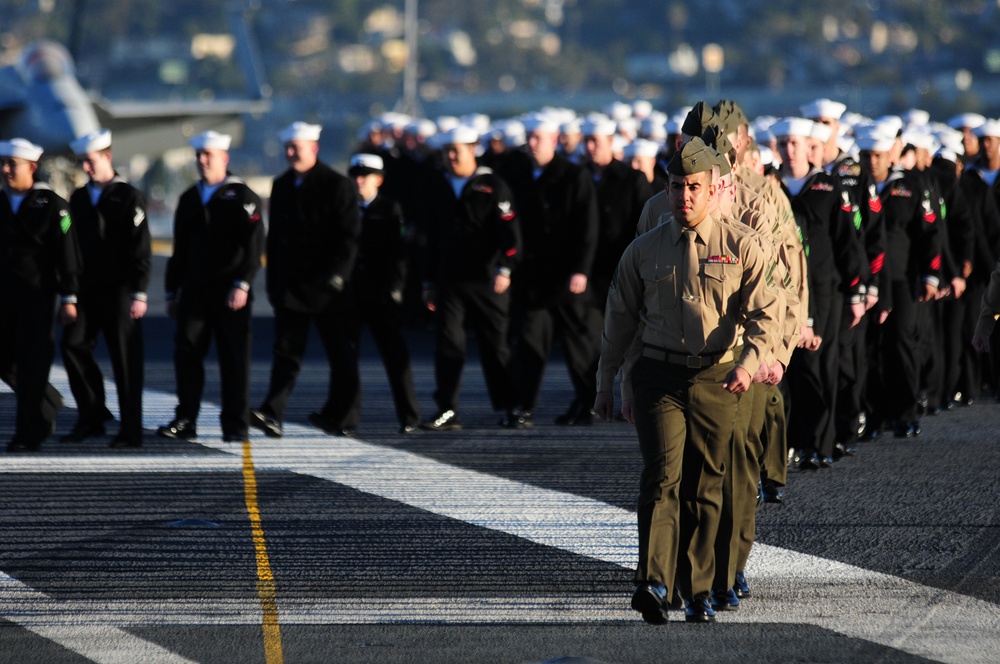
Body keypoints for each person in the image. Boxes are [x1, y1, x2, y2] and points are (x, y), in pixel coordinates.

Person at [595, 137, 779, 624]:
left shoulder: (741, 245)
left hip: (718, 377)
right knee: (661, 477)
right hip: (659, 375)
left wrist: (748, 363)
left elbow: (766, 316)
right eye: (677, 186)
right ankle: (654, 582)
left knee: (705, 484)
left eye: (695, 187)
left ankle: (698, 589)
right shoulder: (644, 249)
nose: (685, 196)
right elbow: (619, 320)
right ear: (667, 189)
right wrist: (607, 382)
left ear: (715, 189)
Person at [250, 122, 361, 438]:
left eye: (296, 148)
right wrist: (273, 283)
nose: (290, 153)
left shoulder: (337, 185)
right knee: (286, 353)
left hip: (329, 287)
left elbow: (349, 236)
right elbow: (275, 239)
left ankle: (343, 416)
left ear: (314, 148)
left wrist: (338, 275)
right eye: (287, 148)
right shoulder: (282, 185)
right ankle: (272, 413)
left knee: (341, 354)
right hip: (292, 286)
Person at [157, 131, 264, 442]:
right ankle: (186, 419)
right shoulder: (189, 198)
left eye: (209, 155)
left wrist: (242, 283)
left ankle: (235, 425)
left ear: (224, 158)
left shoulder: (243, 197)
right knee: (187, 353)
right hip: (195, 291)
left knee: (234, 359)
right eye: (199, 155)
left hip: (230, 292)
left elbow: (254, 246)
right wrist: (171, 291)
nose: (203, 160)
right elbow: (180, 250)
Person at [419, 125, 525, 430]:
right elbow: (430, 238)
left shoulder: (492, 185)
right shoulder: (436, 184)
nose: (451, 157)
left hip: (487, 279)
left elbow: (510, 232)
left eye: (457, 150)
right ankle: (446, 408)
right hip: (450, 280)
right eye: (447, 151)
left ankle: (511, 406)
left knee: (496, 346)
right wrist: (428, 282)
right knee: (448, 343)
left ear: (472, 150)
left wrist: (505, 268)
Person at [505, 114, 600, 426]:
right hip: (533, 274)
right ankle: (523, 407)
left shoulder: (573, 175)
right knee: (529, 342)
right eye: (529, 137)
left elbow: (587, 227)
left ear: (555, 140)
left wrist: (581, 270)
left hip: (566, 274)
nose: (532, 143)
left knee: (578, 344)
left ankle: (589, 403)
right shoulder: (518, 174)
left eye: (538, 138)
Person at [60, 129, 151, 448]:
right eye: (82, 161)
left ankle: (131, 430)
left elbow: (140, 248)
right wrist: (69, 292)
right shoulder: (79, 198)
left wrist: (139, 292)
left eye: (90, 160)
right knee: (72, 344)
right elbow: (69, 244)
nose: (85, 167)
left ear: (107, 157)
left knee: (125, 359)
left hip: (120, 290)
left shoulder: (129, 197)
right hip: (86, 288)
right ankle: (92, 415)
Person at [0, 138, 82, 452]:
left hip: (37, 298)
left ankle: (28, 434)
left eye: (13, 164)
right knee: (7, 361)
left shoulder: (52, 205)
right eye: (3, 164)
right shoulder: (1, 202)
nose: (6, 170)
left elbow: (67, 252)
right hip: (4, 298)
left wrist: (69, 296)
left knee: (32, 363)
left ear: (32, 167)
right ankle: (49, 400)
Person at [346, 153, 421, 433]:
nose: (359, 181)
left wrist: (395, 288)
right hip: (351, 292)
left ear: (378, 180)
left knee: (395, 356)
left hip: (381, 294)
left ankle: (409, 416)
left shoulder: (390, 209)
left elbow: (399, 253)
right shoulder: (345, 208)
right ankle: (347, 418)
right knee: (346, 358)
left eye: (365, 176)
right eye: (355, 176)